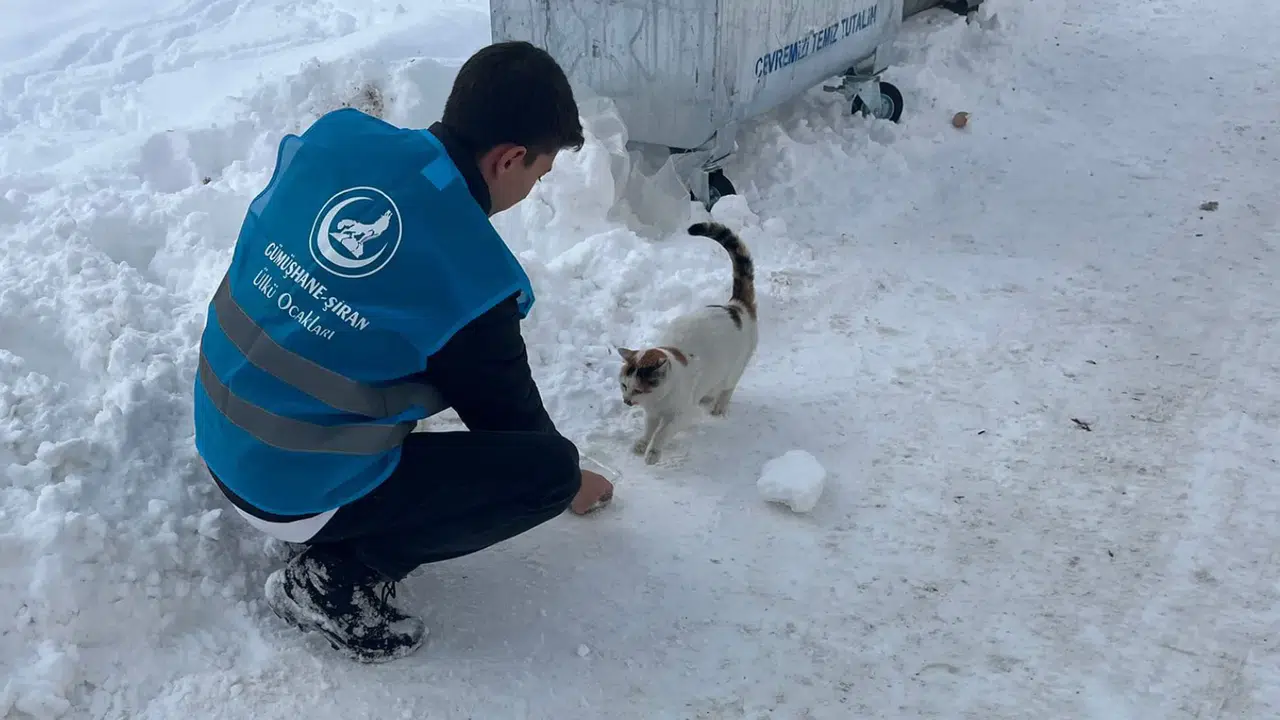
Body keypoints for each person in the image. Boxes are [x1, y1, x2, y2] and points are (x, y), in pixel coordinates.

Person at [191, 40, 615, 664]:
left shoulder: (336, 141)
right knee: (546, 473)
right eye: (539, 173)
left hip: (219, 431)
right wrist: (573, 482)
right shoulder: (470, 276)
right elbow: (513, 432)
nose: (532, 186)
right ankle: (334, 581)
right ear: (511, 158)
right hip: (288, 490)